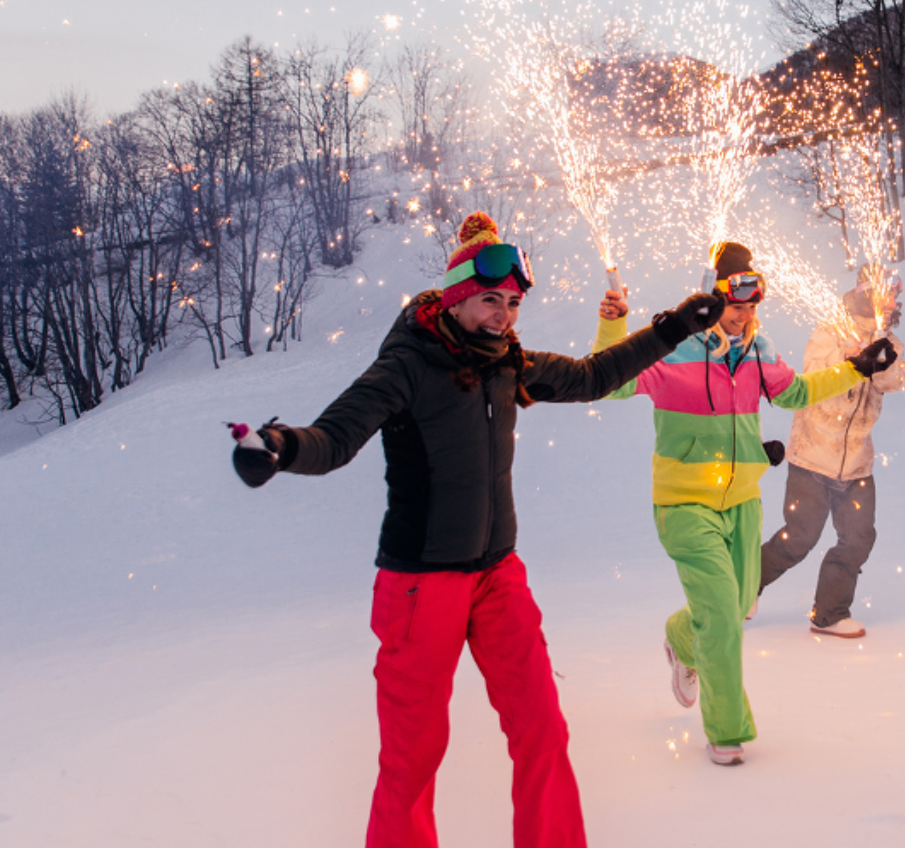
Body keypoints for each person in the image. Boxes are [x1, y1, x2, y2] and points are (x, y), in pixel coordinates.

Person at [227, 213, 724, 848]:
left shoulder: (508, 363)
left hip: (496, 577)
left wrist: (675, 325)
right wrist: (278, 446)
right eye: (492, 300)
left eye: (514, 303)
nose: (505, 315)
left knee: (542, 730)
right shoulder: (406, 365)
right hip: (418, 587)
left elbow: (596, 375)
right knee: (412, 759)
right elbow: (336, 436)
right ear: (459, 295)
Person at [592, 241, 896, 767]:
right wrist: (614, 327)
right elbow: (611, 383)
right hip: (685, 504)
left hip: (742, 502)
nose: (746, 316)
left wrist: (857, 368)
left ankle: (681, 637)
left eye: (754, 306)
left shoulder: (759, 350)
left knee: (732, 608)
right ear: (714, 301)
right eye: (737, 306)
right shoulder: (674, 349)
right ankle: (727, 732)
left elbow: (796, 393)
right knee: (724, 617)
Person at [758, 267, 905, 639]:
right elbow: (812, 376)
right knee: (800, 537)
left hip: (857, 463)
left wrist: (881, 363)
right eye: (884, 298)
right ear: (865, 295)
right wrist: (849, 360)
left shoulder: (890, 340)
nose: (890, 307)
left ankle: (829, 614)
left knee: (858, 538)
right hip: (812, 456)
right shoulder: (831, 330)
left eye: (894, 300)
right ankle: (741, 589)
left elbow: (897, 381)